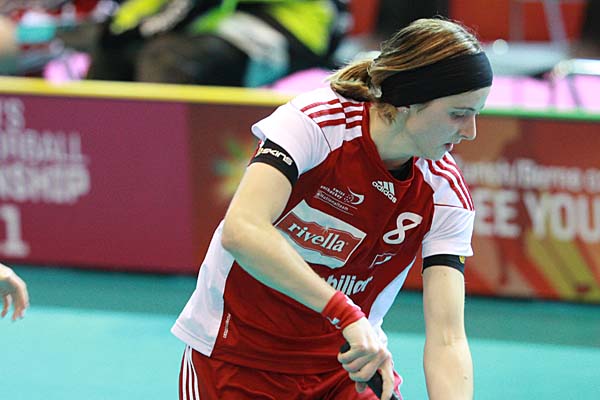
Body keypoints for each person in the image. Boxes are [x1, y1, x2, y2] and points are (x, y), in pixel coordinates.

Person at [171, 17, 493, 400]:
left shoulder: (443, 192)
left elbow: (448, 338)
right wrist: (347, 314)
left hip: (346, 370)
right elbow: (242, 230)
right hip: (237, 358)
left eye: (476, 113)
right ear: (410, 101)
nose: (470, 131)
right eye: (459, 113)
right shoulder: (316, 124)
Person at [87, 0, 350, 87]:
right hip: (232, 22)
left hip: (296, 31)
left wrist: (139, 31)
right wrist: (117, 31)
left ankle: (157, 166)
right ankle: (99, 161)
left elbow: (200, 4)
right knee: (113, 54)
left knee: (166, 58)